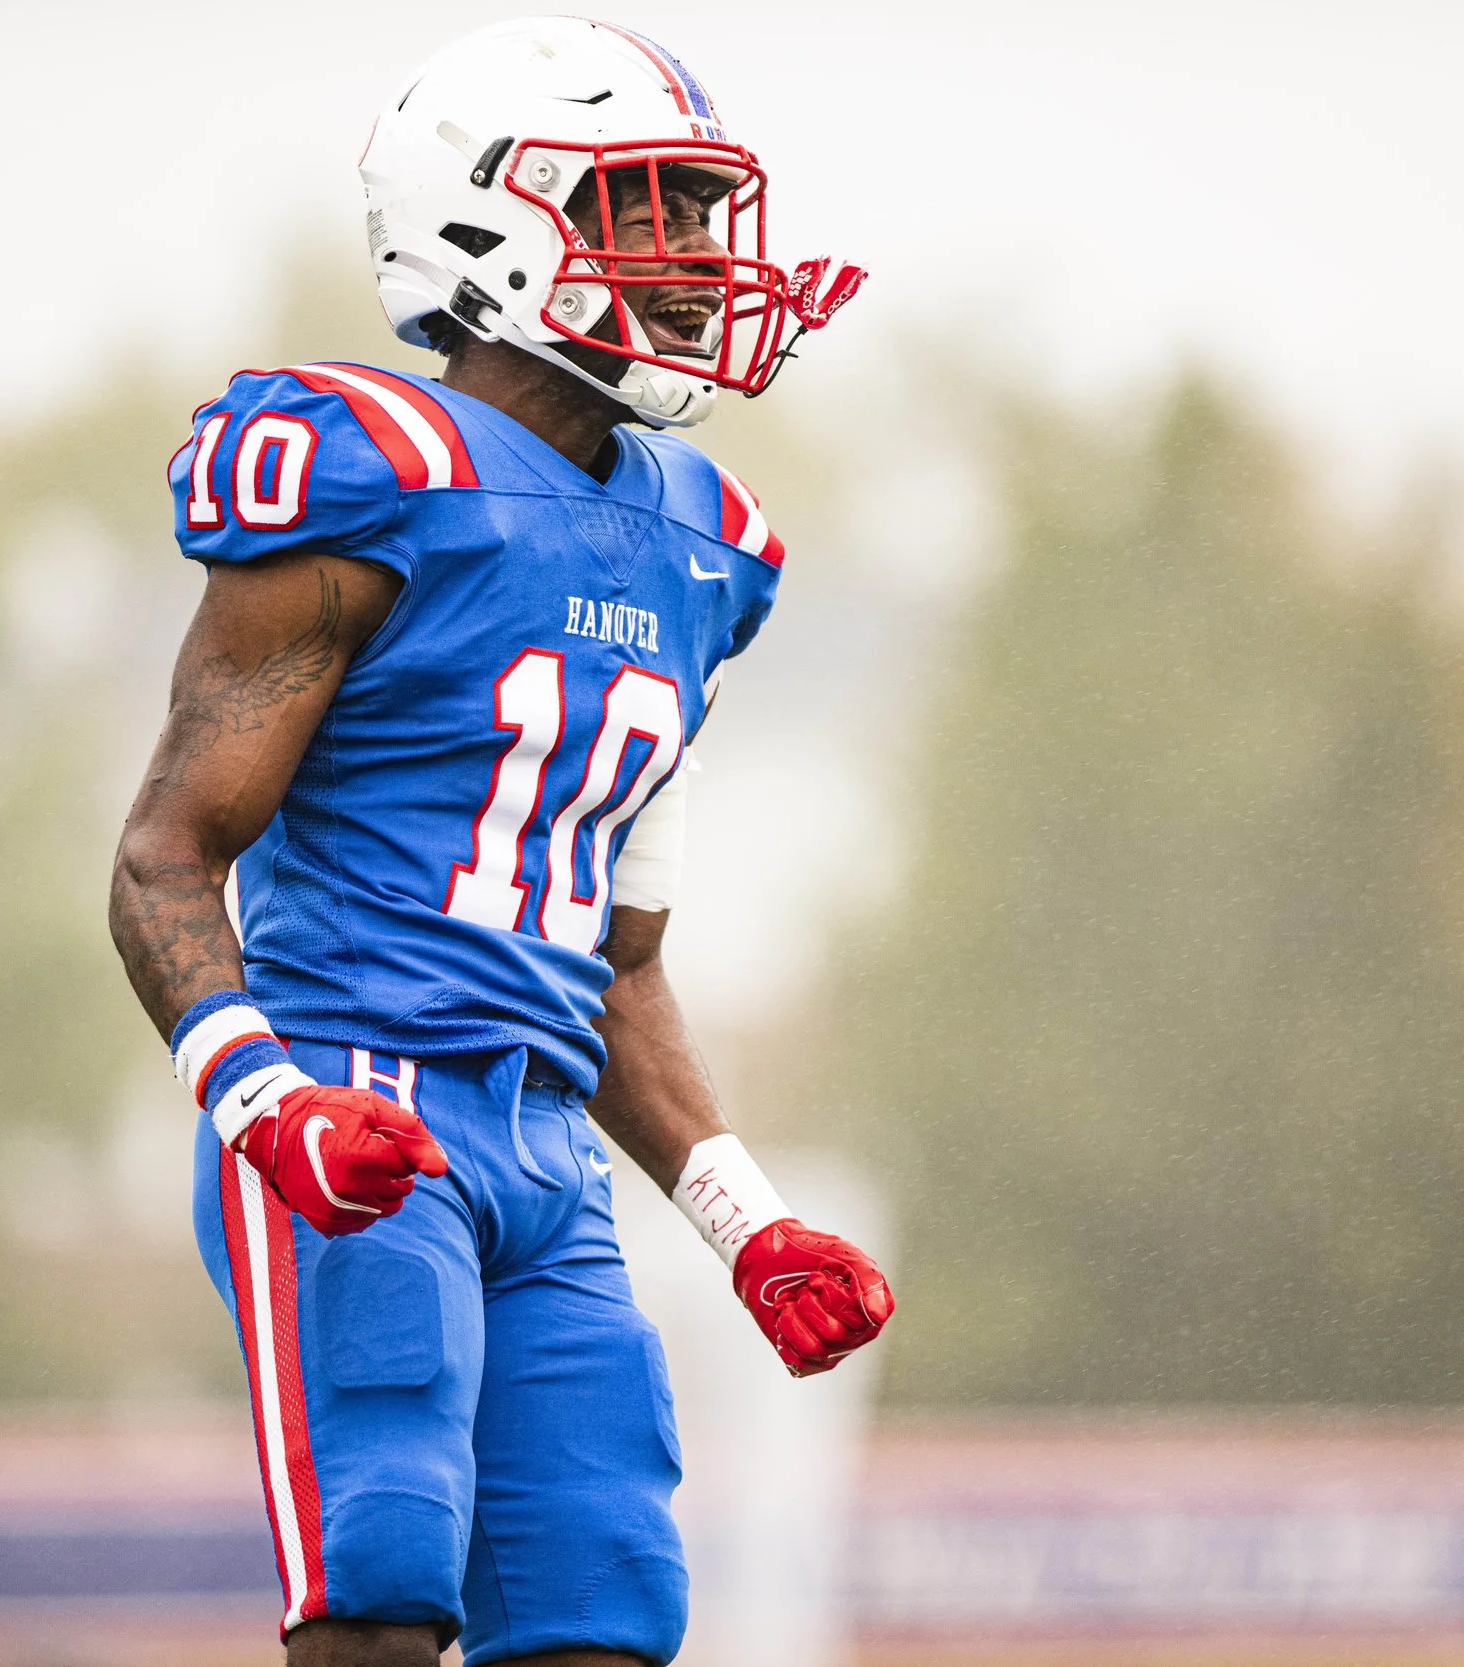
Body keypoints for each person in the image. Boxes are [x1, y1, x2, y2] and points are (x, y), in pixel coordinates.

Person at [106, 19, 893, 1666]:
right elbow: (164, 857)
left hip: (549, 1156)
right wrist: (269, 1105)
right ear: (488, 221)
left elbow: (618, 963)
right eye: (651, 209)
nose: (697, 257)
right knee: (382, 1594)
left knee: (606, 1609)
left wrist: (746, 1218)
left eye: (703, 212)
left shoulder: (701, 543)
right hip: (354, 1103)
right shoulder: (364, 478)